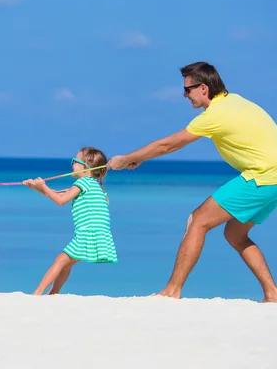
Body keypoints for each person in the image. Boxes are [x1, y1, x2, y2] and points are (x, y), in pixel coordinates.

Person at [107, 61, 277, 302]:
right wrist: (140, 160)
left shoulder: (215, 114)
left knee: (197, 221)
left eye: (188, 89)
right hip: (273, 180)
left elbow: (168, 144)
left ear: (204, 88)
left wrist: (127, 159)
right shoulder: (234, 101)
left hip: (262, 175)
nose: (185, 95)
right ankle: (273, 294)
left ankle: (172, 291)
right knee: (235, 235)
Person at [23, 147, 117, 295]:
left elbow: (60, 200)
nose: (71, 164)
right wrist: (36, 188)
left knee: (60, 261)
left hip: (87, 234)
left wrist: (43, 186)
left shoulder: (82, 183)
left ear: (85, 167)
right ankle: (53, 293)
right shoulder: (93, 185)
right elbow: (56, 194)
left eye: (74, 161)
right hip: (97, 235)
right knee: (66, 265)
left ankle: (37, 293)